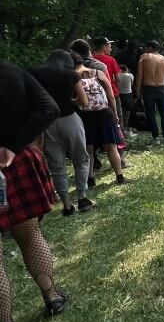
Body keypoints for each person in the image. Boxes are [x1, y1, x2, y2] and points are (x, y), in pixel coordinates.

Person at [0, 63, 69, 322]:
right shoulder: (11, 72)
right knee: (29, 236)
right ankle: (52, 297)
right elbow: (49, 108)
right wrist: (13, 145)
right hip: (17, 162)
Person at [29, 50, 94, 215]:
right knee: (81, 160)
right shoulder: (71, 76)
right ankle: (82, 198)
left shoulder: (35, 73)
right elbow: (84, 102)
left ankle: (66, 205)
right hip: (70, 120)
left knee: (57, 167)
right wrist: (72, 101)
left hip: (47, 123)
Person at [73, 52, 127, 185]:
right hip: (104, 113)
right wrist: (114, 114)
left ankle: (90, 179)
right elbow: (110, 96)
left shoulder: (72, 77)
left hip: (85, 116)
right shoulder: (98, 73)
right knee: (111, 148)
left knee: (88, 150)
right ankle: (120, 176)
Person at [136, 41, 164, 144]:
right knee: (163, 113)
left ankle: (156, 138)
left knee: (151, 113)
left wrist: (138, 90)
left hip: (148, 88)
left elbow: (140, 75)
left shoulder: (144, 57)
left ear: (150, 48)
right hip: (161, 89)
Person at [116, 65, 135, 136]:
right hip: (128, 94)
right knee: (128, 111)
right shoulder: (130, 75)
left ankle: (122, 129)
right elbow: (132, 83)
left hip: (120, 94)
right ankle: (128, 128)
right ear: (126, 69)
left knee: (121, 112)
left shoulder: (117, 75)